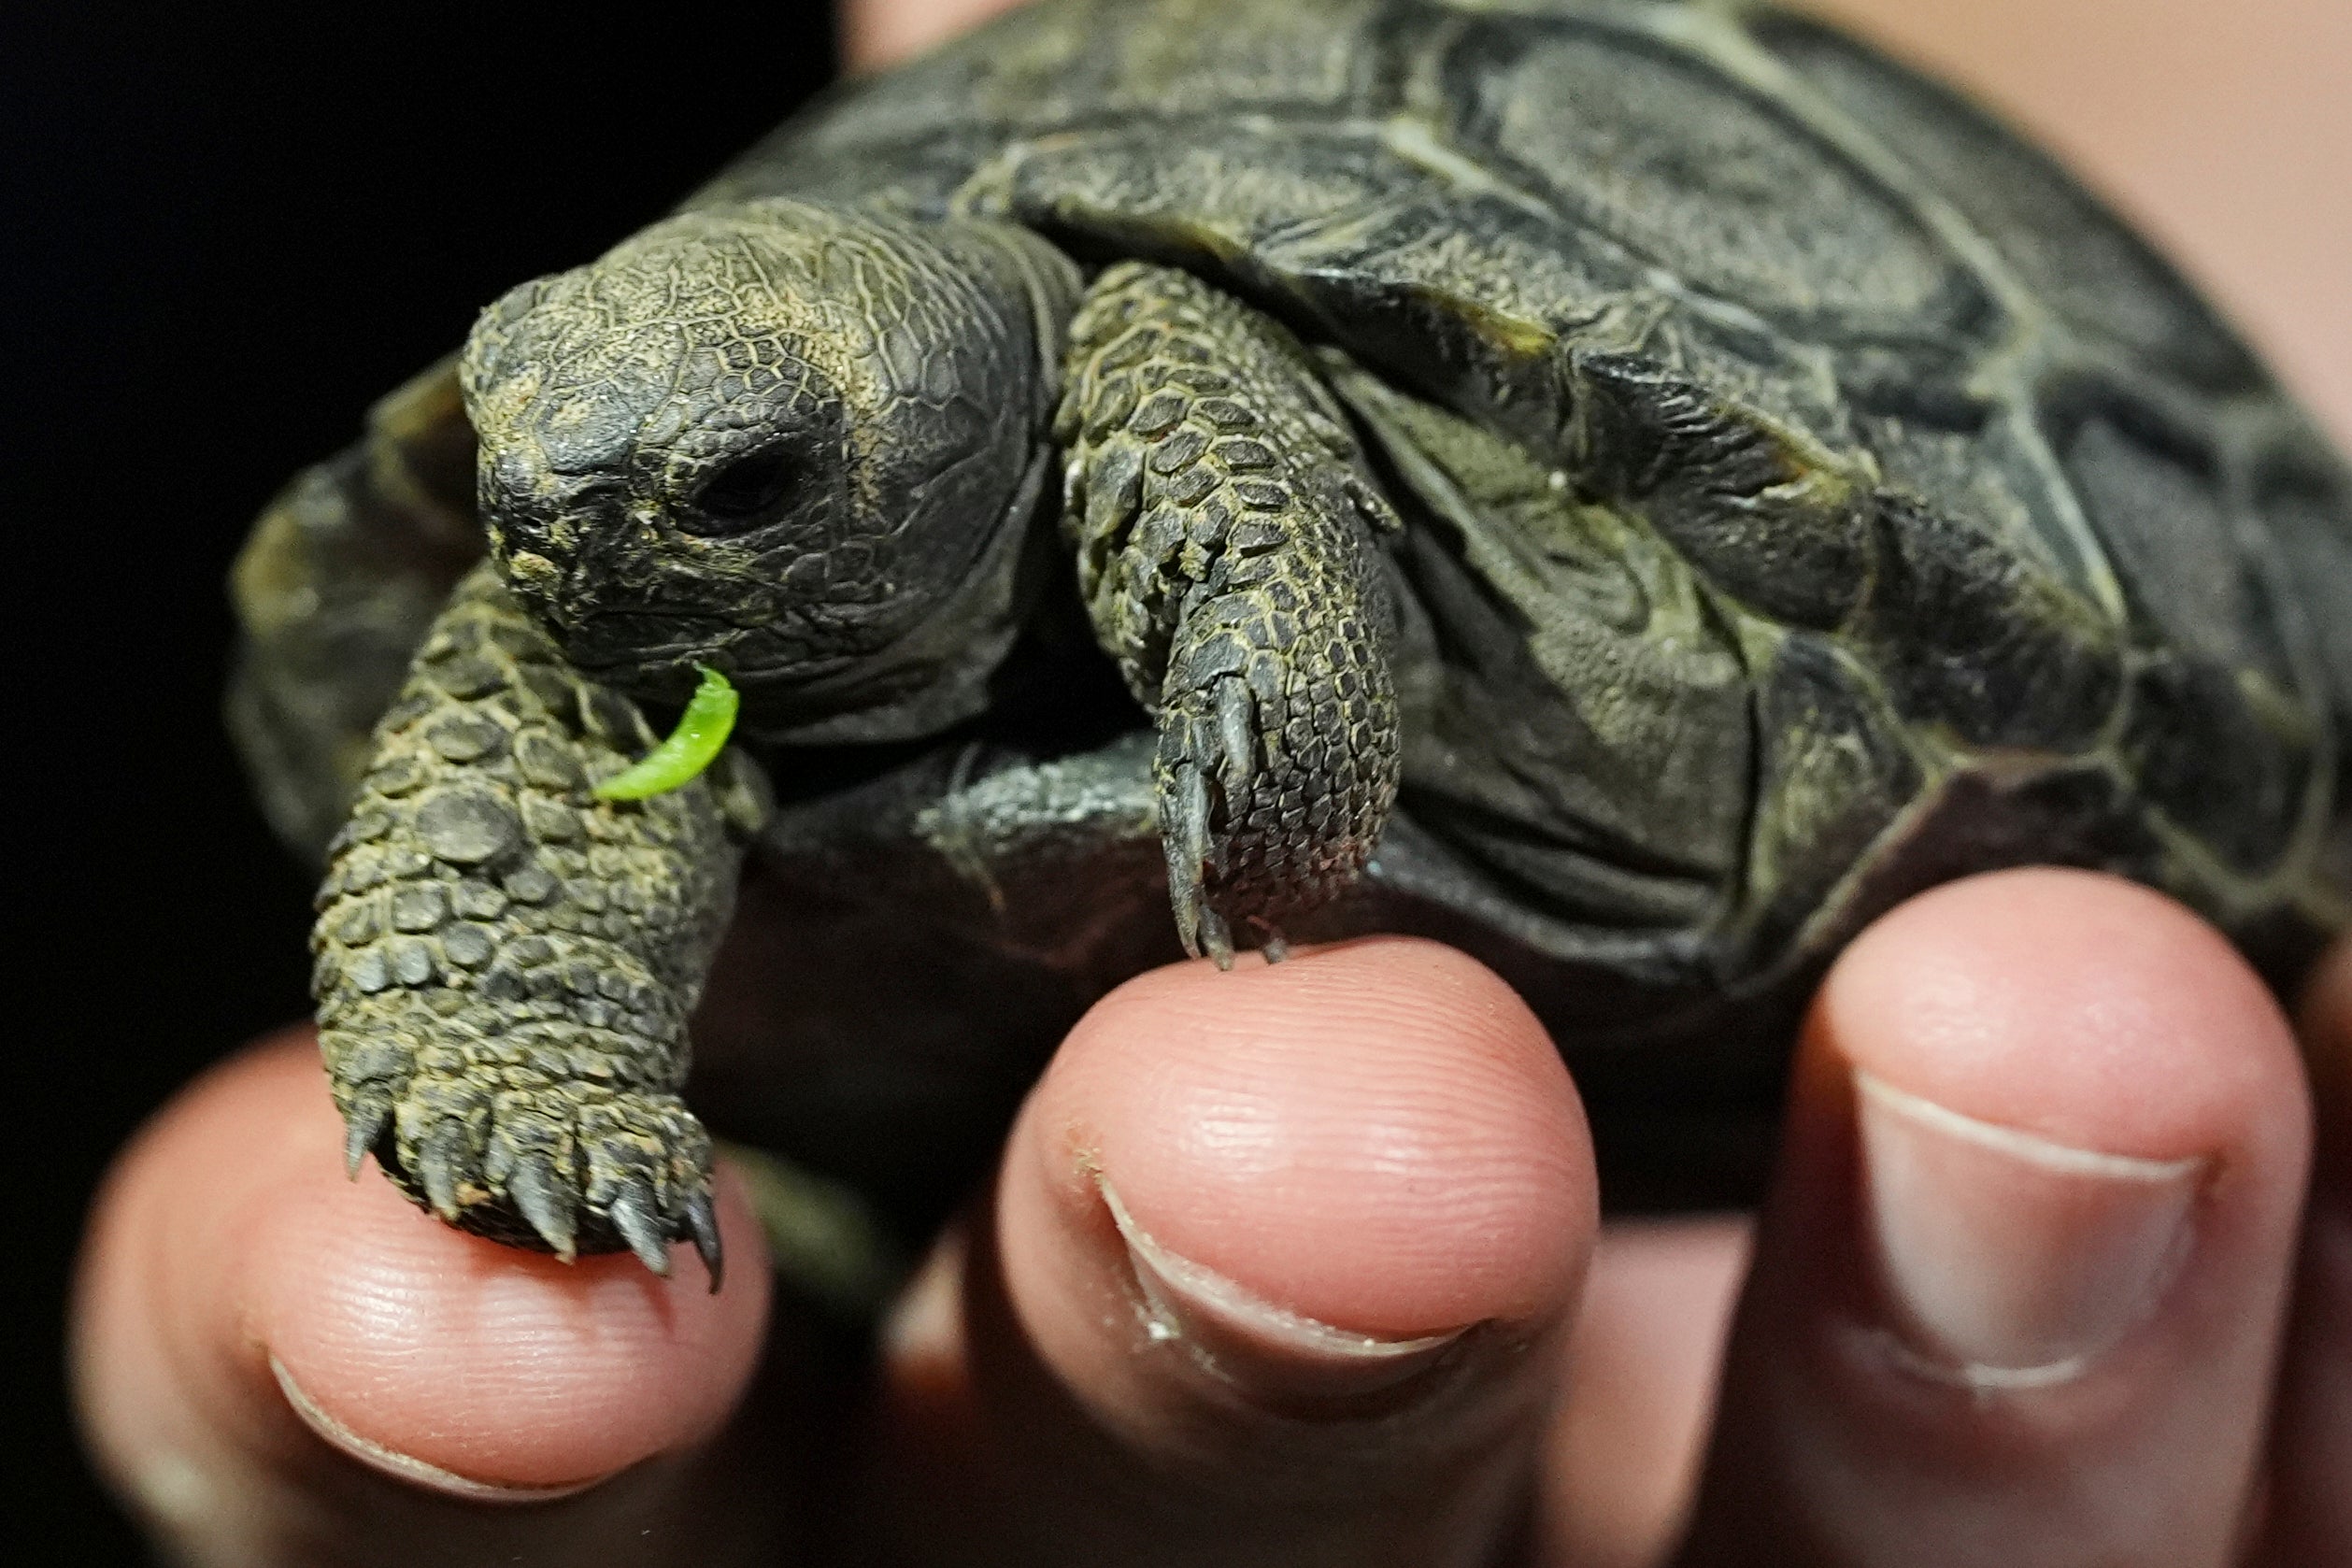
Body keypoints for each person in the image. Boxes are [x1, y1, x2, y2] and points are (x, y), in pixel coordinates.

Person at [70, 1, 2352, 1561]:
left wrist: (1274, 675)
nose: (564, 528)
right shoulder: (614, 564)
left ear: (953, 434)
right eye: (523, 446)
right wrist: (507, 1028)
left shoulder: (1157, 371)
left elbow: (1157, 351)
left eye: (753, 482)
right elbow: (556, 572)